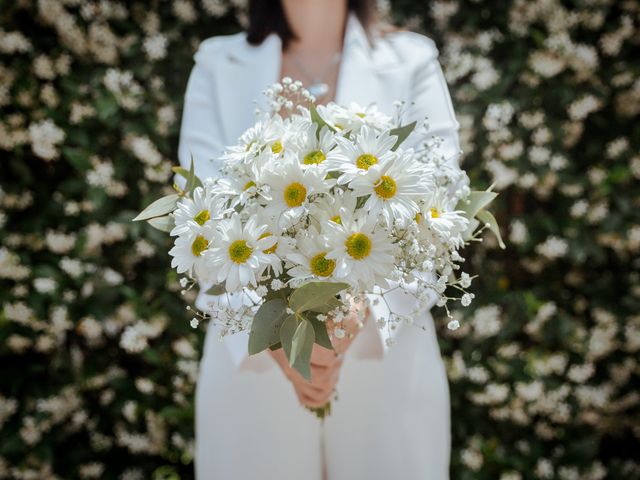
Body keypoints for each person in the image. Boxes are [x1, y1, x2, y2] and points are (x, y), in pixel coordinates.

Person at [178, 0, 462, 478]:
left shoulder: (411, 59)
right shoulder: (217, 62)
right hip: (253, 367)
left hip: (385, 362)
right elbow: (198, 218)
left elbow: (441, 207)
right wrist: (283, 341)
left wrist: (352, 319)